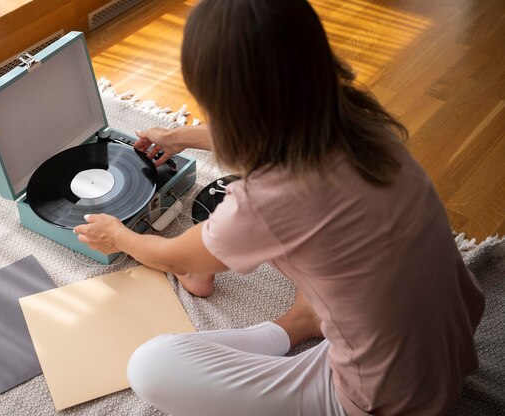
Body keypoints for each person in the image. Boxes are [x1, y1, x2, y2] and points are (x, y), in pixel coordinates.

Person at [73, 0, 485, 414]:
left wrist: (119, 235)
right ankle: (303, 317)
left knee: (150, 366)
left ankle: (293, 321)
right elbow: (271, 124)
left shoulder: (268, 198)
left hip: (386, 397)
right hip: (447, 343)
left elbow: (167, 253)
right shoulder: (361, 120)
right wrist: (178, 136)